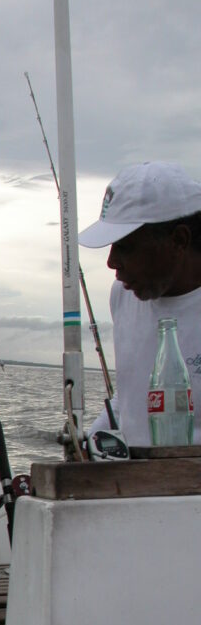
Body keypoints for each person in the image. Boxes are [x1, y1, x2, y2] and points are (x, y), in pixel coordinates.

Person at [79, 161, 201, 446]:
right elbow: (130, 398)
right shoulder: (122, 295)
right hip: (135, 486)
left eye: (125, 245)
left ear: (179, 240)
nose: (111, 262)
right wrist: (90, 443)